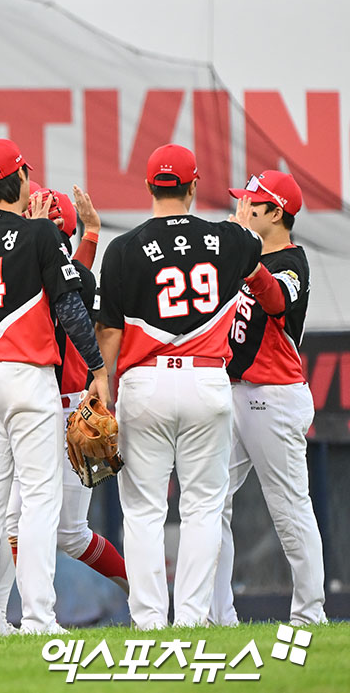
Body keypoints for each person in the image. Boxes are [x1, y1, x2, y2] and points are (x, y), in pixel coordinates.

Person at [95, 143, 263, 630]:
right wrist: (236, 225)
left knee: (144, 510)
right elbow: (253, 249)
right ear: (192, 187)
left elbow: (110, 330)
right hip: (207, 381)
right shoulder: (229, 240)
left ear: (149, 186)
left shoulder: (124, 248)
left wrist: (100, 383)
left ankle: (149, 621)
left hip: (144, 383)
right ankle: (191, 619)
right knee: (204, 507)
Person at [0, 138, 108, 636]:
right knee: (40, 498)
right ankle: (39, 618)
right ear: (19, 179)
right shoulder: (40, 235)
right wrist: (98, 368)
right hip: (25, 375)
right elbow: (70, 305)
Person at [211, 170, 325, 627]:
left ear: (276, 212)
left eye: (252, 204)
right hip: (236, 393)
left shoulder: (292, 261)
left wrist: (244, 248)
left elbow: (276, 299)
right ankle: (218, 616)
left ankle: (310, 613)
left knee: (289, 506)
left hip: (273, 397)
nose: (243, 208)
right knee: (210, 501)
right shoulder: (248, 252)